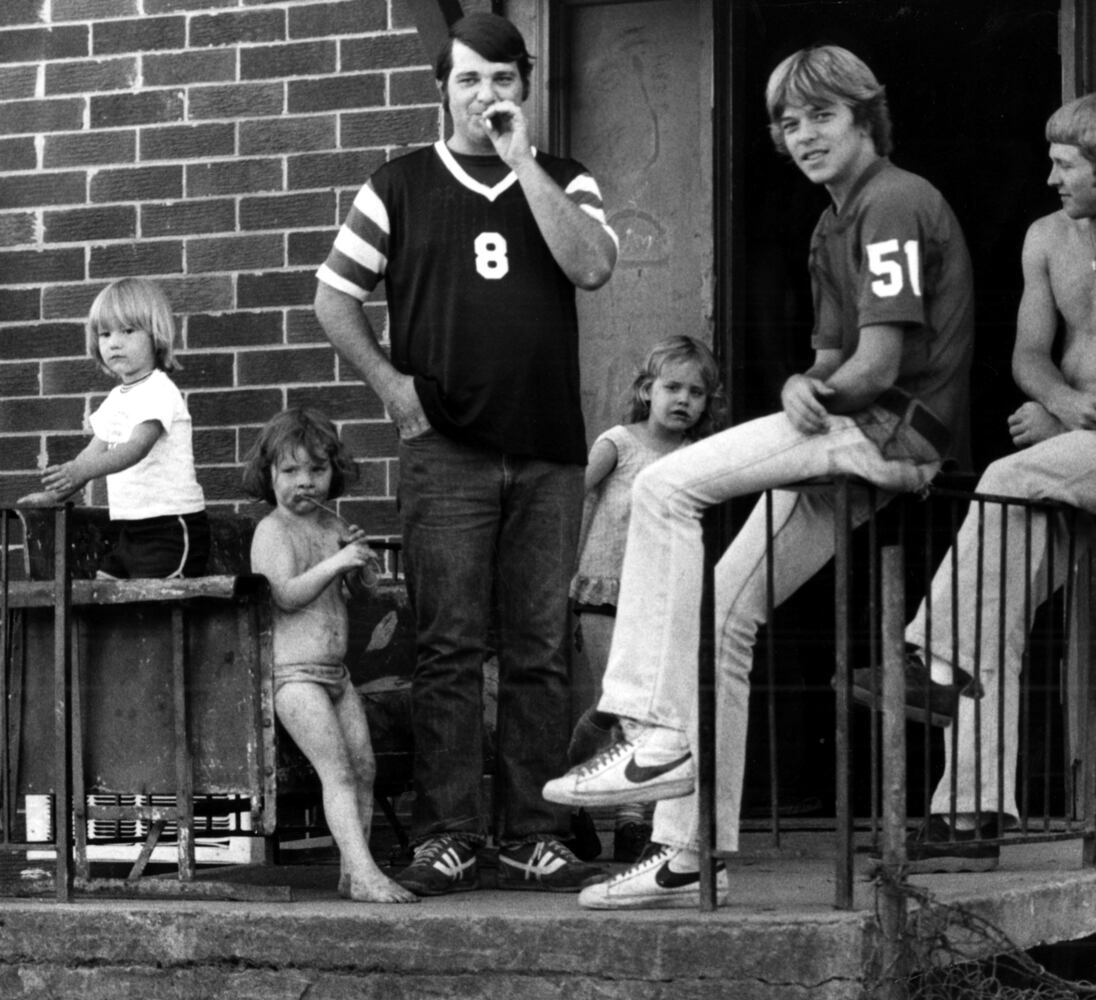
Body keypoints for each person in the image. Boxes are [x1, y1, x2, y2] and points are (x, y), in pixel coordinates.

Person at [543, 44, 975, 909]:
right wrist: (802, 383)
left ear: (865, 116)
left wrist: (814, 390)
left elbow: (879, 362)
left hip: (888, 430)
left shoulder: (893, 198)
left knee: (664, 486)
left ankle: (649, 726)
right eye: (788, 121)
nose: (803, 134)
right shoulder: (830, 224)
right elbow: (831, 358)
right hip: (853, 427)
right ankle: (689, 855)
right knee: (724, 618)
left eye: (823, 115)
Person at [851, 93, 1096, 872]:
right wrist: (1064, 403)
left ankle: (927, 662)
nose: (1050, 177)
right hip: (1066, 458)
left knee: (1005, 475)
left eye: (1065, 164)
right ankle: (968, 817)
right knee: (992, 613)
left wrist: (1079, 419)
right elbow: (1028, 357)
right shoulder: (1046, 238)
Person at [314, 12, 617, 895]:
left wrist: (522, 160)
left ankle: (533, 833)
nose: (487, 94)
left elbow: (592, 266)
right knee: (446, 647)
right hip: (446, 451)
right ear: (443, 88)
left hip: (549, 450)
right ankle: (449, 832)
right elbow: (334, 297)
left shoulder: (565, 177)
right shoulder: (399, 183)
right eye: (470, 79)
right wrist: (391, 387)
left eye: (503, 78)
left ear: (526, 85)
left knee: (539, 648)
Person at [245, 407, 417, 904]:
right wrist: (336, 562)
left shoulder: (331, 524)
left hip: (335, 675)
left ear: (333, 473)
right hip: (294, 676)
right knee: (337, 770)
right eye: (290, 470)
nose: (305, 482)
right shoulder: (273, 530)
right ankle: (366, 871)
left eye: (317, 470)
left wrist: (359, 567)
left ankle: (352, 873)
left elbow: (358, 592)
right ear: (269, 475)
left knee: (364, 768)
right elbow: (284, 595)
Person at [569, 335, 724, 863]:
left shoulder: (696, 456)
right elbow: (572, 502)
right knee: (611, 703)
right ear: (646, 390)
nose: (684, 400)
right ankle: (571, 790)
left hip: (660, 596)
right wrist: (564, 574)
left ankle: (632, 820)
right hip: (606, 587)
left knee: (649, 709)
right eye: (673, 387)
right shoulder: (619, 443)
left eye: (696, 393)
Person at [18, 277, 209, 580]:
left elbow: (137, 447)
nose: (114, 342)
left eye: (128, 331)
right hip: (131, 530)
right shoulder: (116, 399)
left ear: (155, 335)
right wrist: (55, 495)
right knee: (102, 589)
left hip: (170, 528)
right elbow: (90, 455)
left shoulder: (159, 389)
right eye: (105, 334)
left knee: (152, 600)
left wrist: (82, 471)